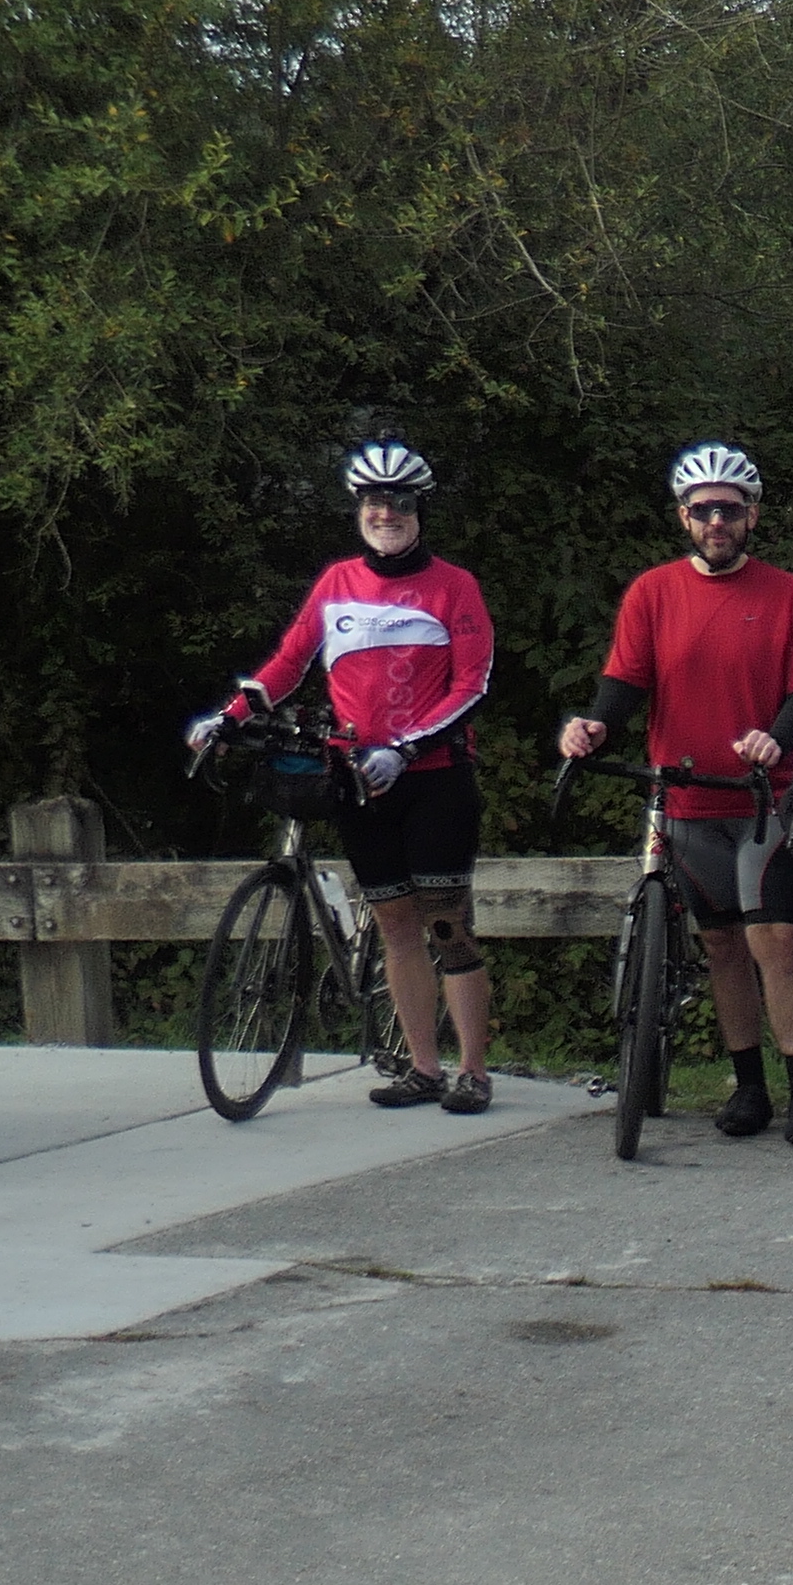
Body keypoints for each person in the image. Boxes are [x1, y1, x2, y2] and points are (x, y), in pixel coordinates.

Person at [191, 441, 498, 1113]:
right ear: (359, 509)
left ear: (420, 508)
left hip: (435, 778)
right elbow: (288, 663)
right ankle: (424, 1068)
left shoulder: (454, 586)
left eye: (400, 502)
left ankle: (473, 1072)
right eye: (374, 502)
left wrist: (407, 749)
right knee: (395, 925)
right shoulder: (336, 583)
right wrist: (227, 717)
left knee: (446, 927)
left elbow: (473, 686)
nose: (386, 513)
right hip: (357, 777)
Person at [559, 443, 793, 1145]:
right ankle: (749, 1086)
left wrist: (776, 738)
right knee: (721, 946)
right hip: (687, 800)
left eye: (730, 510)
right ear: (684, 517)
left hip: (764, 801)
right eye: (704, 510)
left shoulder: (787, 594)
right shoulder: (653, 592)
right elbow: (626, 680)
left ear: (752, 517)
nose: (718, 522)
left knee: (776, 941)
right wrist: (596, 725)